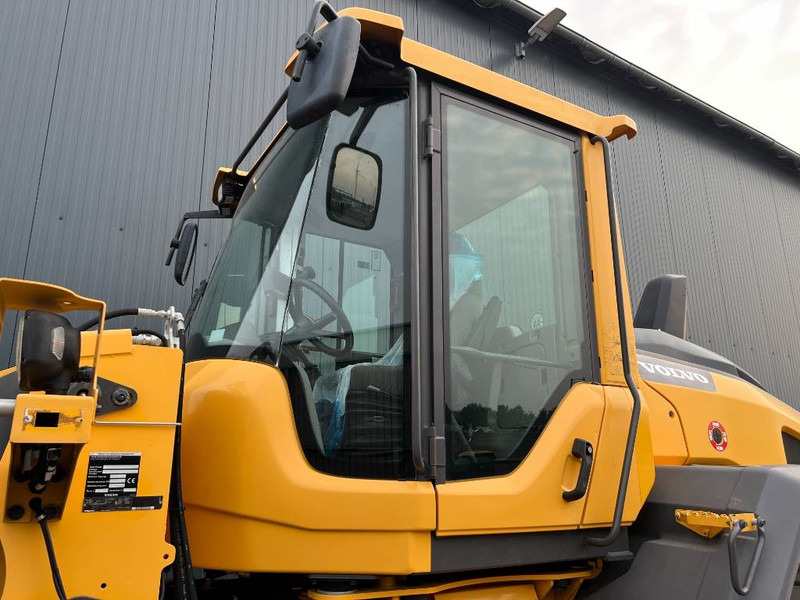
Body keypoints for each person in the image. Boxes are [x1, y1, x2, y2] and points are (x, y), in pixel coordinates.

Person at [312, 231, 485, 455]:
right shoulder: (449, 305)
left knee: (354, 375)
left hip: (434, 378)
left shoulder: (465, 305)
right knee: (342, 376)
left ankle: (331, 452)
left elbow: (448, 355)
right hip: (428, 370)